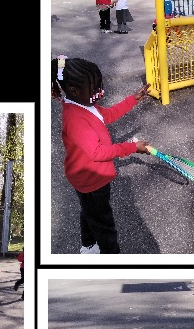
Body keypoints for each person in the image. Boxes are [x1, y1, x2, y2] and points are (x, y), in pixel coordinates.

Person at [52, 55, 152, 254]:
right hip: (91, 179)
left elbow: (107, 115)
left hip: (89, 177)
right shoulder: (75, 119)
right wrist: (131, 147)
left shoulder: (84, 104)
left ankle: (88, 246)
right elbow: (97, 152)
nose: (100, 92)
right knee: (105, 225)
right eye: (95, 89)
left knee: (90, 212)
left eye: (100, 86)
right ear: (73, 90)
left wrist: (133, 99)